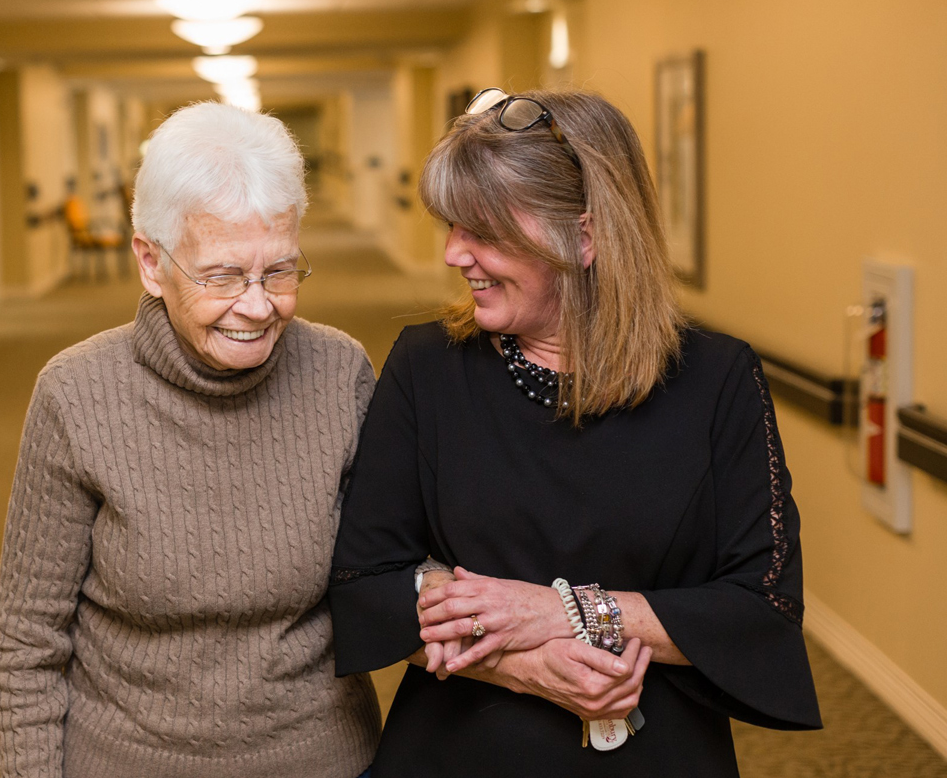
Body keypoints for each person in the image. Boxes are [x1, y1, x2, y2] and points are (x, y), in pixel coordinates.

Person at [328, 87, 821, 776]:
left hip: (656, 752)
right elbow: (365, 584)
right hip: (461, 748)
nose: (452, 254)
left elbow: (760, 608)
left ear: (585, 236)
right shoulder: (427, 365)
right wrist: (526, 665)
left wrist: (559, 610)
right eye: (449, 225)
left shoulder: (719, 379)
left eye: (482, 232)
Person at [0, 102, 381, 778]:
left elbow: (392, 572)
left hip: (322, 759)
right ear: (150, 261)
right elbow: (28, 643)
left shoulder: (340, 373)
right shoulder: (76, 395)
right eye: (223, 275)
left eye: (281, 271)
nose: (259, 306)